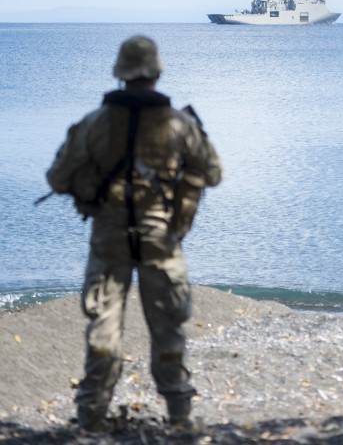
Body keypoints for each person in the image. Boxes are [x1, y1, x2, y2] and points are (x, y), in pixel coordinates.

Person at [45, 36, 223, 432]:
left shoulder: (94, 122)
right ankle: (179, 418)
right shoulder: (179, 123)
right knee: (167, 327)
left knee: (104, 326)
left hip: (108, 236)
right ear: (158, 73)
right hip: (161, 235)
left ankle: (91, 417)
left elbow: (57, 179)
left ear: (119, 74)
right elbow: (212, 173)